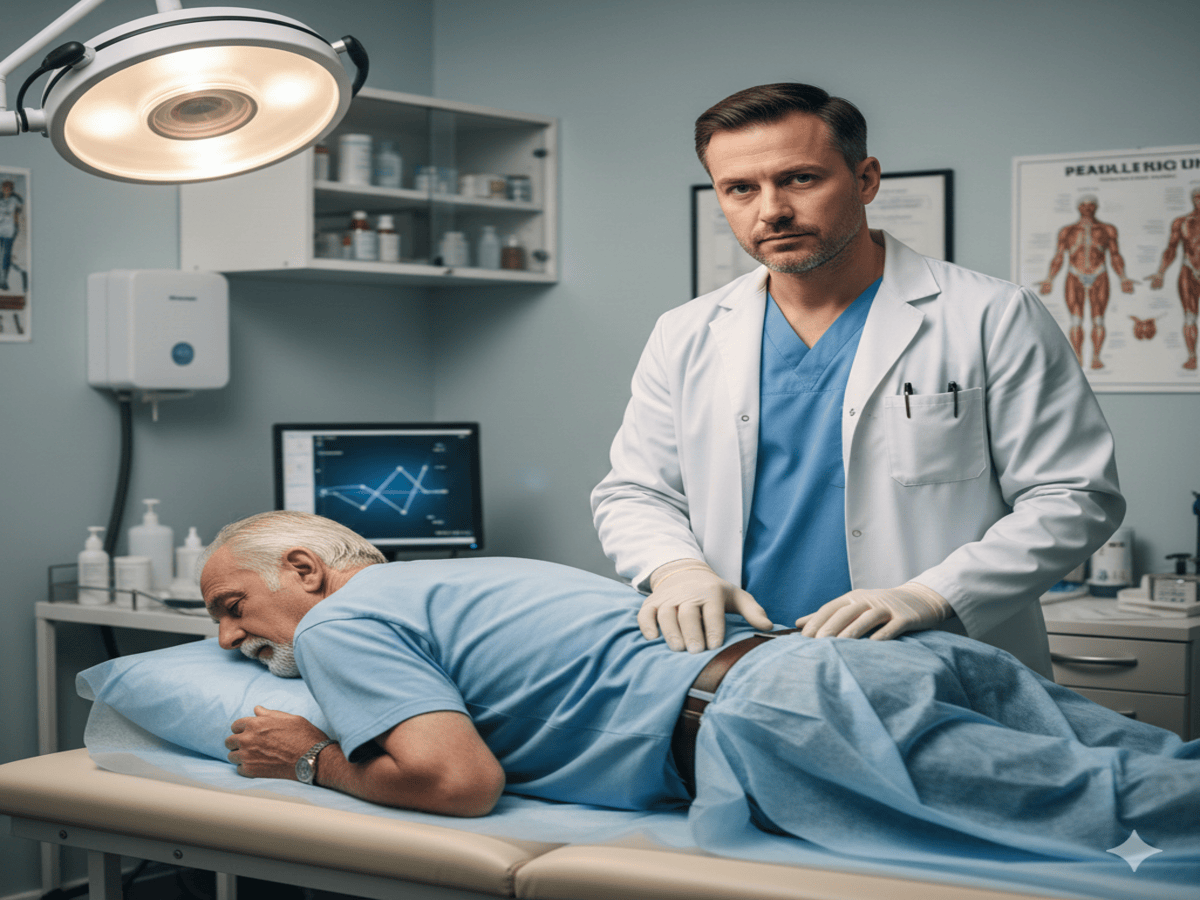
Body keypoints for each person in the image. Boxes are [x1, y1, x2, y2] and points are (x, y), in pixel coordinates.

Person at [205, 511, 1198, 867]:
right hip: (858, 657)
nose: (226, 635)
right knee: (1162, 770)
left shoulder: (340, 620)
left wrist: (311, 758)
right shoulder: (470, 578)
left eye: (231, 604)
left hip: (778, 719)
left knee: (1128, 808)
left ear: (304, 568)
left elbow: (455, 781)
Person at [591, 84, 1125, 676]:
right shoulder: (685, 332)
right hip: (744, 667)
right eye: (740, 188)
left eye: (799, 179)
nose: (771, 210)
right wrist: (676, 569)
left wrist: (931, 594)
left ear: (866, 179)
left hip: (937, 662)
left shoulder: (990, 316)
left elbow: (1073, 496)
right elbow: (636, 491)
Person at [1038, 194, 1136, 369]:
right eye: (1084, 205)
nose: (1087, 208)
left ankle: (1096, 357)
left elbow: (1115, 256)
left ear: (1096, 207)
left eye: (1091, 205)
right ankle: (1078, 358)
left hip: (1099, 274)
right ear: (1079, 208)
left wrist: (1123, 278)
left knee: (1098, 318)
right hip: (1074, 275)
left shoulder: (1107, 230)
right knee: (1076, 319)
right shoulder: (1067, 231)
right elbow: (1059, 257)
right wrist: (1049, 279)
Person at [1146, 186, 1200, 371]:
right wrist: (1160, 272)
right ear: (1192, 199)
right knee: (1189, 317)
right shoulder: (1181, 222)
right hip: (1189, 270)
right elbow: (1171, 249)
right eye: (1197, 197)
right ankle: (1192, 357)